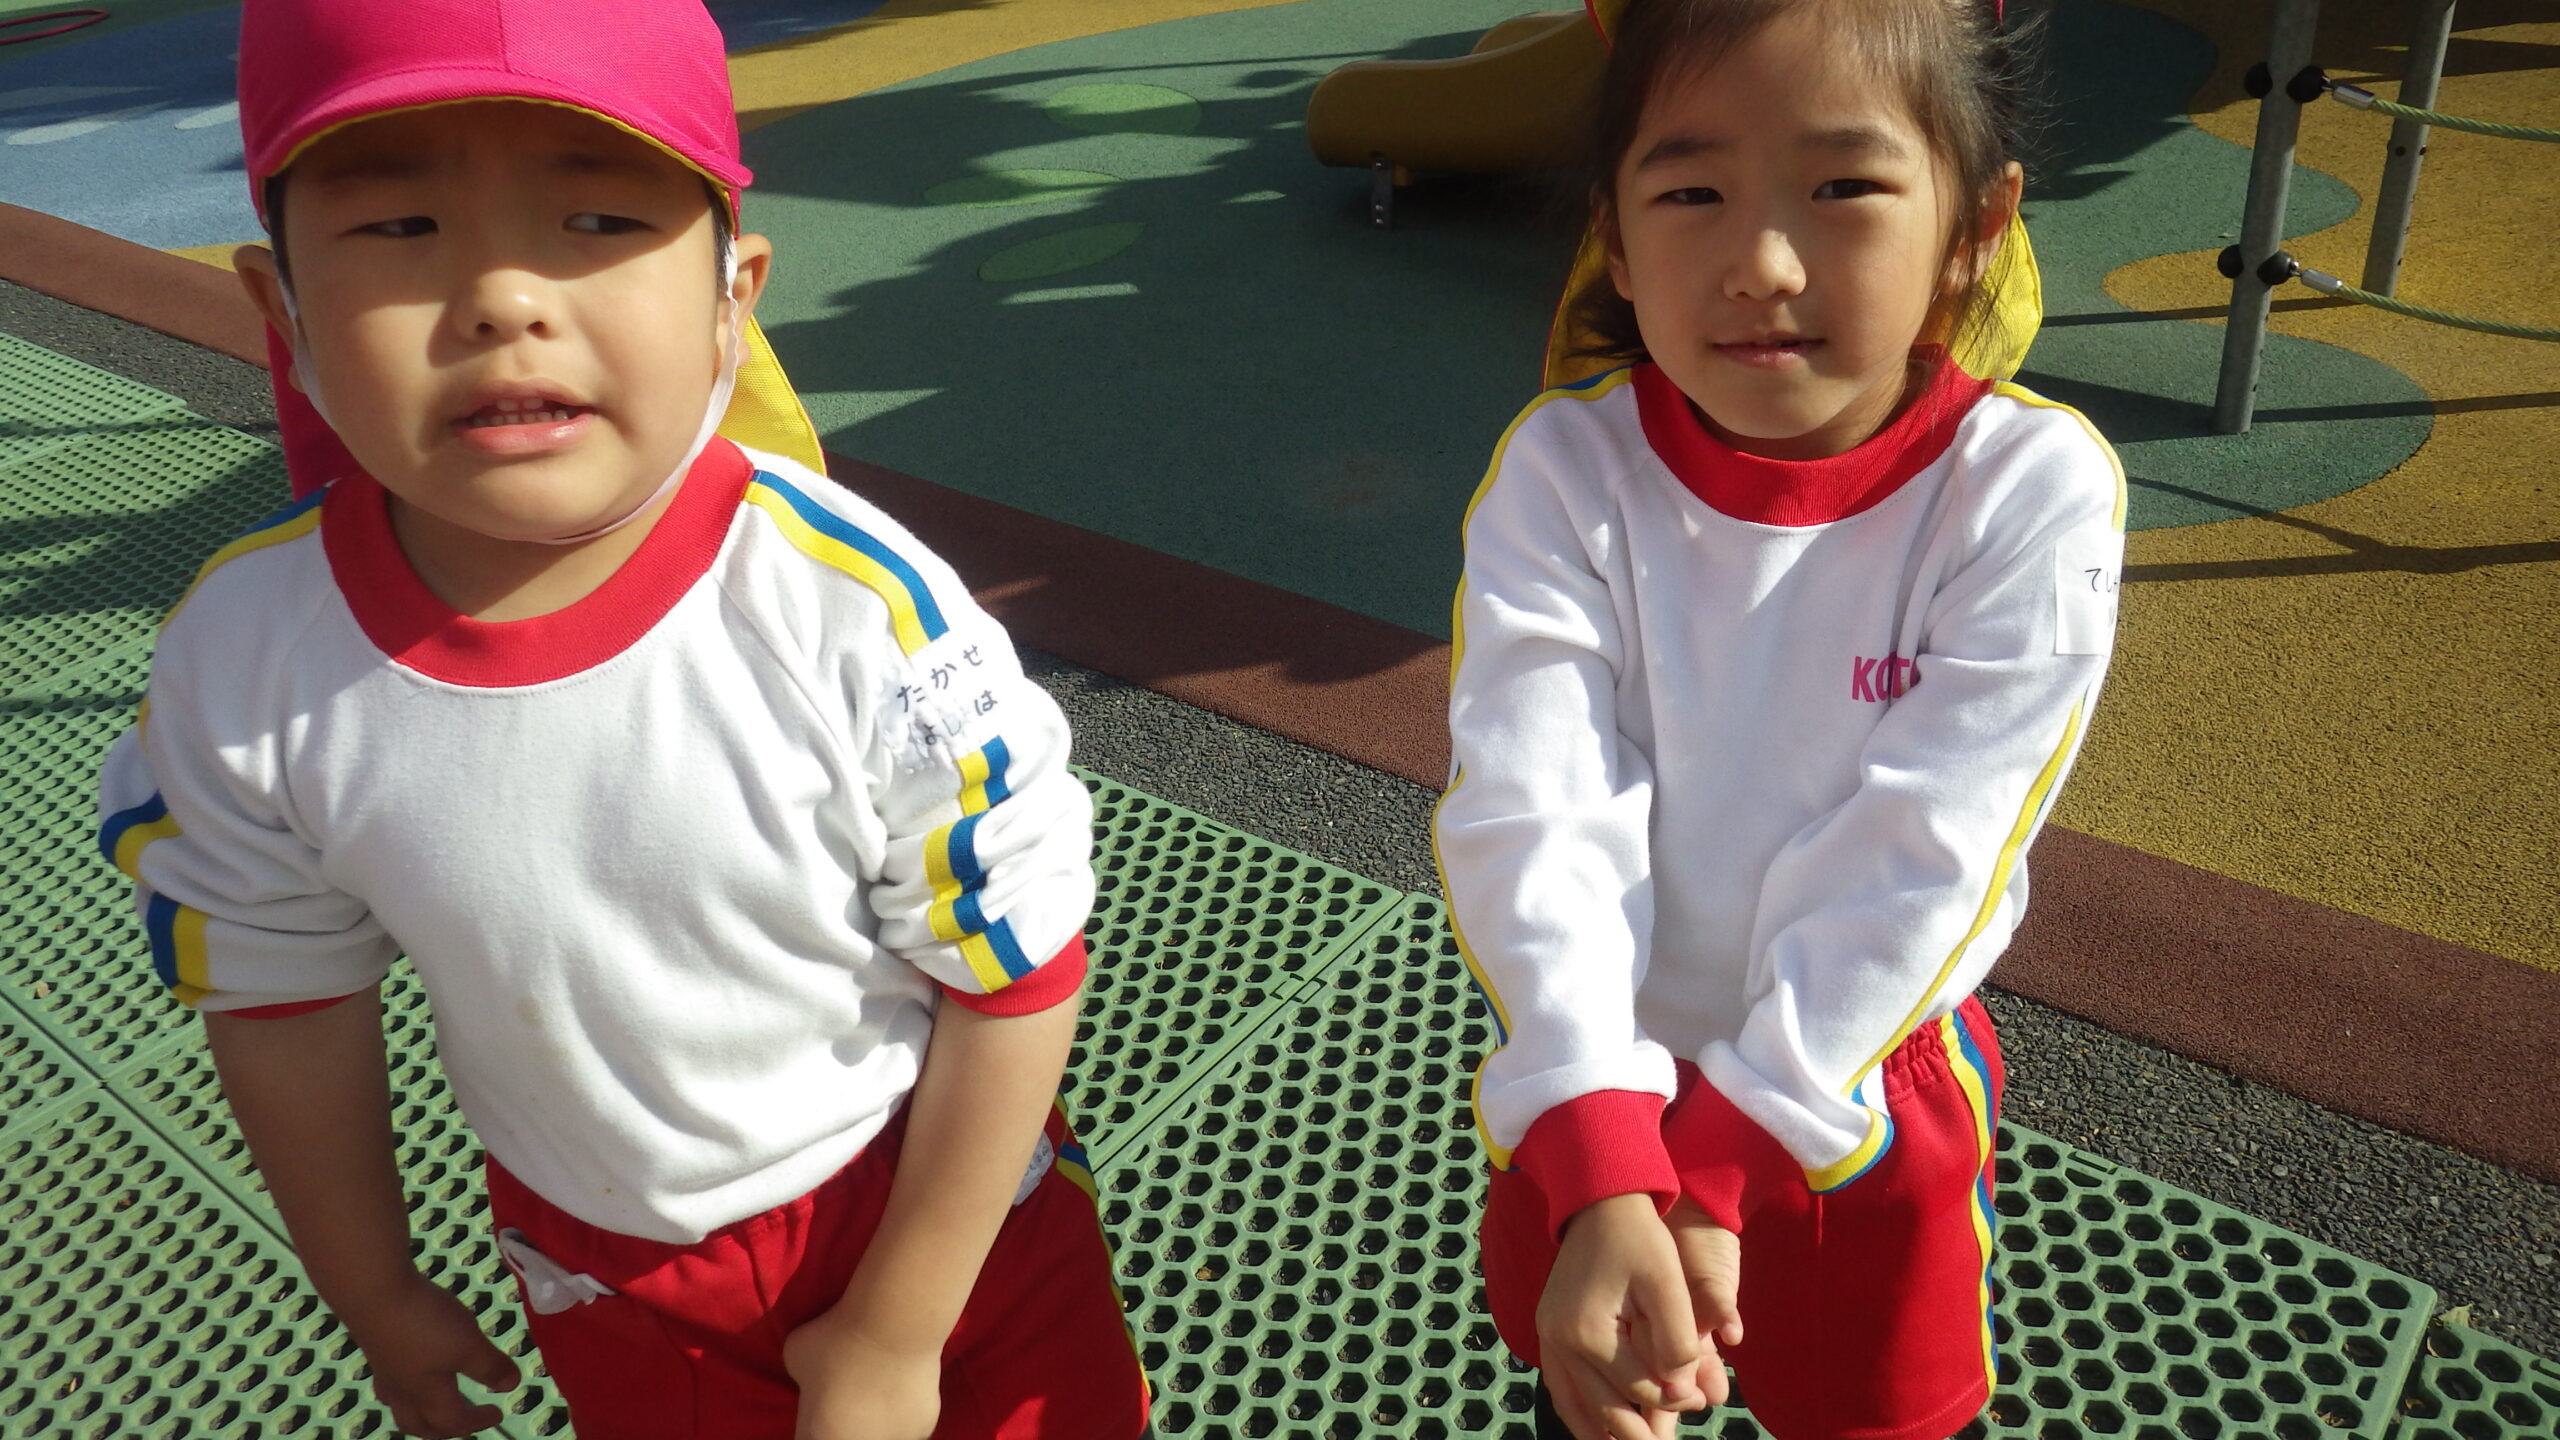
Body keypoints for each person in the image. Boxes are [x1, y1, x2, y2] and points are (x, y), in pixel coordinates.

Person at [91, 2, 1149, 1437]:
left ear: (733, 296)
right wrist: (372, 1287)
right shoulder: (242, 665)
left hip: (945, 1204)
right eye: (400, 227)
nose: (501, 299)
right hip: (606, 1261)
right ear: (282, 312)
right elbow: (279, 995)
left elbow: (1016, 965)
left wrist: (899, 1326)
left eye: (596, 219)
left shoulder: (851, 608)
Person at [1433, 2, 2124, 1439]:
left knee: (1867, 1410)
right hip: (1604, 1077)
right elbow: (1535, 809)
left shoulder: (2027, 492)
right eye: (1692, 193)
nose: (1761, 262)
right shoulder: (1565, 474)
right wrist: (1610, 1161)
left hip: (1847, 1087)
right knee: (1606, 1399)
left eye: (1844, 185)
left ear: (1975, 227)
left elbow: (1929, 850)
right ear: (1617, 241)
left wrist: (1728, 1156)